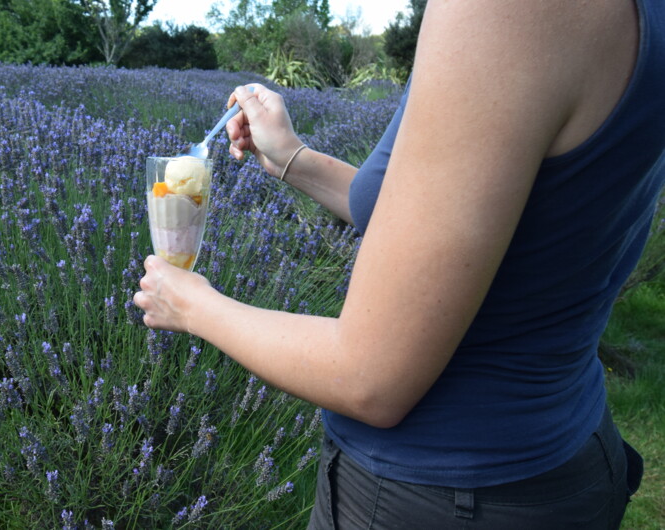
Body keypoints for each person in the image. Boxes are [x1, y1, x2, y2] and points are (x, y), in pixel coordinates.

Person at [134, 0, 664, 527]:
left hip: (443, 493)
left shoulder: (505, 13)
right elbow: (453, 216)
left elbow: (370, 377)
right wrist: (292, 156)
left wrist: (190, 305)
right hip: (567, 453)